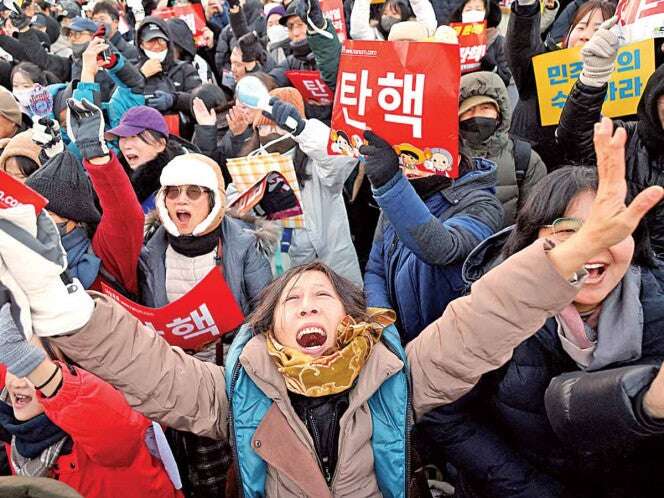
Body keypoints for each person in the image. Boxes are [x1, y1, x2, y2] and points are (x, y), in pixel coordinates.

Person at [1, 119, 660, 498]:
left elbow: (479, 322)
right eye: (294, 300)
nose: (310, 302)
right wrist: (66, 314)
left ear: (353, 321)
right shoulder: (232, 394)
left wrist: (560, 261)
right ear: (269, 327)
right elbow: (149, 367)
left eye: (324, 297)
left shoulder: (399, 379)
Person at [413, 130, 664, 496]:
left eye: (607, 232)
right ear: (533, 238)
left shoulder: (657, 300)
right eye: (569, 231)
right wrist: (527, 488)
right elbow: (445, 412)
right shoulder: (494, 310)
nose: (591, 248)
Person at [0, 306, 181, 498]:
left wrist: (53, 383)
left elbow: (117, 436)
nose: (17, 382)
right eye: (16, 365)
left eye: (35, 370)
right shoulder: (15, 422)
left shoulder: (107, 421)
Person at [362, 131, 503, 343]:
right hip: (400, 340)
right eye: (407, 158)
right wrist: (384, 323)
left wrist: (389, 184)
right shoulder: (398, 196)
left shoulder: (483, 205)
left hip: (450, 344)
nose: (413, 166)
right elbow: (376, 268)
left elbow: (444, 248)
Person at [232, 88, 363, 285]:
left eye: (279, 127)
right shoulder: (252, 164)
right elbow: (230, 202)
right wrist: (246, 215)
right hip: (278, 277)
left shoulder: (318, 167)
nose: (272, 133)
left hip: (329, 274)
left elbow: (341, 158)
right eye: (264, 128)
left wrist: (303, 130)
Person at [557, 21, 664, 257]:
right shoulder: (629, 138)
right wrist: (593, 77)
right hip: (624, 269)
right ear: (653, 99)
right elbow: (575, 138)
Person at [24, 99, 144, 297]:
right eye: (36, 210)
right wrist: (54, 158)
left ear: (73, 219)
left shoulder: (102, 255)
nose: (38, 219)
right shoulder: (27, 256)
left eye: (48, 213)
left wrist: (96, 153)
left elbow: (126, 215)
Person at [505, 0, 614, 170]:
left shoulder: (627, 79)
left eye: (598, 29)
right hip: (528, 172)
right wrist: (526, 7)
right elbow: (521, 45)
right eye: (581, 27)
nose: (586, 35)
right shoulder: (542, 65)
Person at [459, 71, 546, 226]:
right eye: (469, 110)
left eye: (485, 108)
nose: (477, 116)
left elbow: (534, 221)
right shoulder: (443, 161)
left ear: (500, 113)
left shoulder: (525, 160)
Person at [106, 105, 197, 213]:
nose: (126, 145)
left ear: (160, 144)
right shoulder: (116, 175)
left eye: (134, 136)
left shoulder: (179, 186)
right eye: (122, 137)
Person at [136, 17, 202, 115]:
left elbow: (200, 100)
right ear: (141, 44)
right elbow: (117, 103)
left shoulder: (185, 69)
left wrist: (174, 99)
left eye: (161, 40)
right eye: (151, 41)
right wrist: (140, 76)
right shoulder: (133, 71)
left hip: (181, 127)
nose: (157, 46)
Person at [349, 0, 437, 41]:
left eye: (394, 14)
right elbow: (358, 31)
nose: (388, 17)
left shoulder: (413, 38)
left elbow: (428, 26)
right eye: (385, 14)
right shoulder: (375, 37)